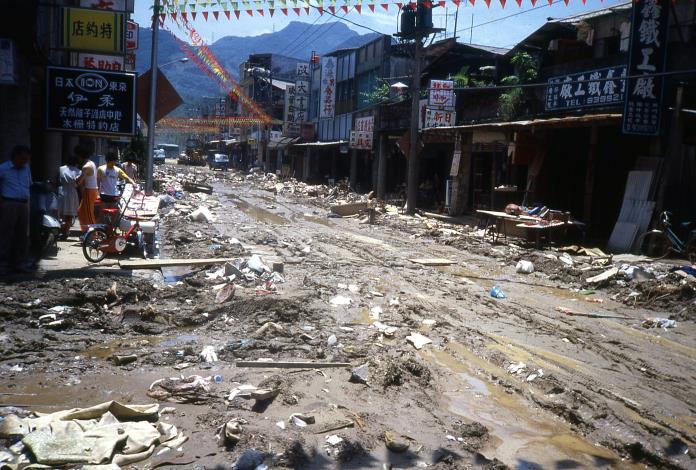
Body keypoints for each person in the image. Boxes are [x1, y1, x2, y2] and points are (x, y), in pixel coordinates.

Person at [0, 145, 32, 273]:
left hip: (23, 204)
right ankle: (3, 263)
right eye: (23, 158)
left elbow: (29, 184)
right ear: (15, 156)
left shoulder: (26, 168)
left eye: (27, 159)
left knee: (21, 235)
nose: (25, 161)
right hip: (9, 203)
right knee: (6, 234)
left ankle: (19, 263)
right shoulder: (3, 168)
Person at [57, 156, 81, 238]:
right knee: (69, 215)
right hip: (72, 192)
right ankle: (66, 232)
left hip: (62, 190)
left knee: (60, 213)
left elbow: (58, 180)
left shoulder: (61, 169)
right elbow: (78, 184)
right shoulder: (79, 171)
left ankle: (60, 230)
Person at [76, 145, 98, 231]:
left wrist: (75, 180)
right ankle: (86, 232)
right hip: (89, 190)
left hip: (90, 190)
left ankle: (93, 234)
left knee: (89, 214)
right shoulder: (91, 163)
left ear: (80, 156)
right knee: (81, 212)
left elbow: (79, 182)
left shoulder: (86, 167)